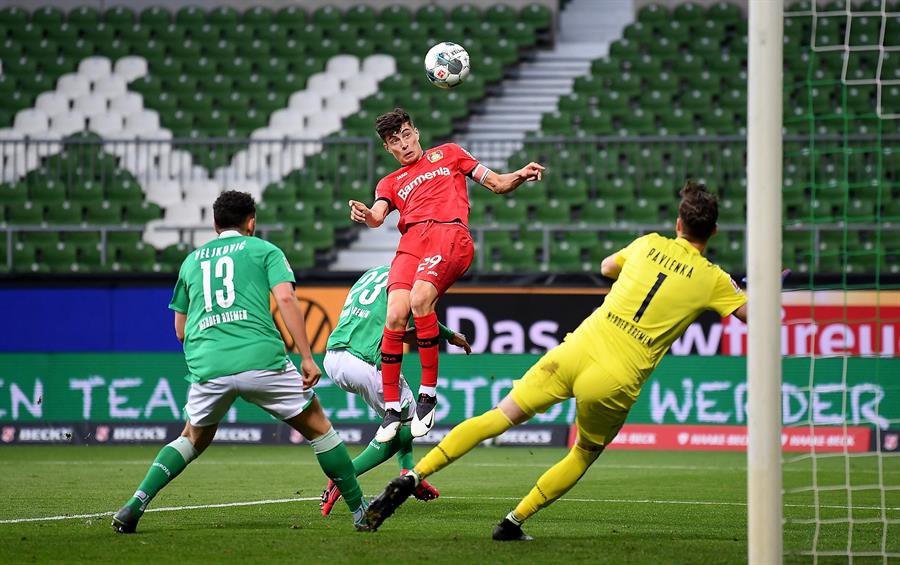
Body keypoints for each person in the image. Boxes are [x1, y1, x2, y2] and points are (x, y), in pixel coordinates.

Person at [364, 181, 749, 540]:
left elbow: (606, 268)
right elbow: (756, 315)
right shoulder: (713, 279)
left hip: (575, 349)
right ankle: (513, 522)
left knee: (497, 417)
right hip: (616, 377)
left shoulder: (648, 243)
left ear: (678, 222)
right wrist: (742, 288)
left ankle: (414, 476)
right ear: (713, 232)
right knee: (582, 453)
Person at [112, 191, 369, 533]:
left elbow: (180, 331)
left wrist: (210, 358)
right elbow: (286, 298)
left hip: (209, 364)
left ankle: (135, 504)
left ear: (215, 224)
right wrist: (307, 357)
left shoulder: (191, 261)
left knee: (192, 437)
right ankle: (359, 512)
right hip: (261, 358)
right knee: (318, 426)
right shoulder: (264, 250)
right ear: (252, 222)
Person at [348, 107, 545, 442]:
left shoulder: (450, 154)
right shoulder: (389, 182)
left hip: (448, 234)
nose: (404, 144)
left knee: (420, 298)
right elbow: (378, 216)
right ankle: (392, 408)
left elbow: (496, 183)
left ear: (417, 132)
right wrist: (366, 214)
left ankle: (427, 395)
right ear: (388, 148)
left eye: (407, 134)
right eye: (395, 141)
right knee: (395, 314)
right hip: (411, 243)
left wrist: (521, 174)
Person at [318, 264, 472, 516]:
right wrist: (448, 334)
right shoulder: (409, 278)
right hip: (365, 361)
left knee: (398, 417)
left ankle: (408, 473)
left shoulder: (370, 274)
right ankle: (344, 477)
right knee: (416, 421)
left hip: (334, 357)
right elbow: (423, 322)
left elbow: (398, 332)